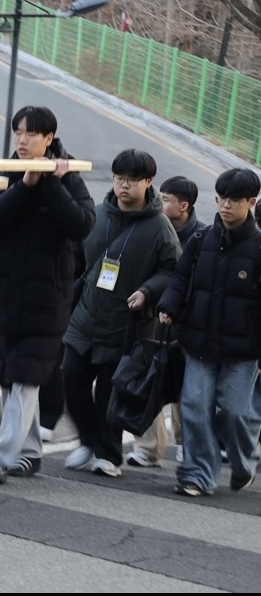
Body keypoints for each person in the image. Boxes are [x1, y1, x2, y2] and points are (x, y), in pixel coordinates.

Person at [0, 106, 96, 483]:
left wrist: (50, 185)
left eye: (30, 134)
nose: (22, 141)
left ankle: (1, 456)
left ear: (49, 138)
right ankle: (28, 453)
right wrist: (25, 186)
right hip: (7, 289)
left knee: (27, 374)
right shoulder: (9, 170)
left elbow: (81, 224)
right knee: (7, 374)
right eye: (18, 133)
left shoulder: (69, 174)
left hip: (49, 295)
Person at [62, 149, 180, 477]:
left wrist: (148, 291)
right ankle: (87, 440)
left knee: (110, 392)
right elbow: (74, 257)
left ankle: (108, 455)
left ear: (148, 182)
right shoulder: (96, 215)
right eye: (118, 178)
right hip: (86, 315)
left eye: (131, 180)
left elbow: (174, 270)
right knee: (71, 376)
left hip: (127, 323)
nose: (123, 186)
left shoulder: (160, 227)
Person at [159, 168, 261, 496]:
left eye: (234, 200)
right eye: (221, 198)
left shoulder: (258, 247)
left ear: (252, 202)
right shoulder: (202, 239)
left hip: (243, 351)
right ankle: (198, 475)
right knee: (193, 405)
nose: (226, 205)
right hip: (199, 341)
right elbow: (181, 279)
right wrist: (169, 305)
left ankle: (244, 461)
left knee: (234, 412)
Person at [127, 175, 205, 467]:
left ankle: (187, 443)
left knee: (184, 386)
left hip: (184, 324)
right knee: (148, 380)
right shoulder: (149, 228)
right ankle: (148, 448)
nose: (160, 202)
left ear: (184, 206)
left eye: (167, 199)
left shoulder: (200, 238)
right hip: (148, 318)